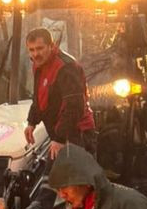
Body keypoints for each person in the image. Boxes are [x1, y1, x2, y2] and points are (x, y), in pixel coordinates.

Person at [24, 28, 97, 159]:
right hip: (60, 133)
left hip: (77, 134)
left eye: (40, 48)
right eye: (32, 50)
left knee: (68, 178)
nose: (36, 54)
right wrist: (31, 122)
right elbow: (39, 98)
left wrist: (60, 138)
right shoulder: (38, 65)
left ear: (51, 46)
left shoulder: (66, 67)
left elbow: (74, 106)